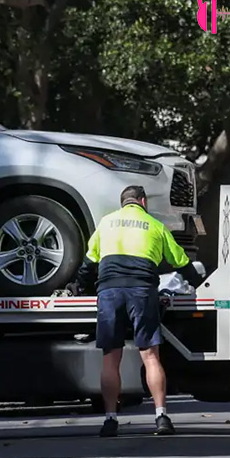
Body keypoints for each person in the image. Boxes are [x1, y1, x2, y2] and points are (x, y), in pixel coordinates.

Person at [69, 185, 204, 438]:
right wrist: (201, 285)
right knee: (150, 356)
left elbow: (89, 263)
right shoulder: (154, 224)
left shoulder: (106, 223)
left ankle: (110, 420)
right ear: (143, 201)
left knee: (111, 359)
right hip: (142, 291)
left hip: (110, 291)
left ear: (123, 203)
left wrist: (77, 287)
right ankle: (161, 417)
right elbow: (181, 261)